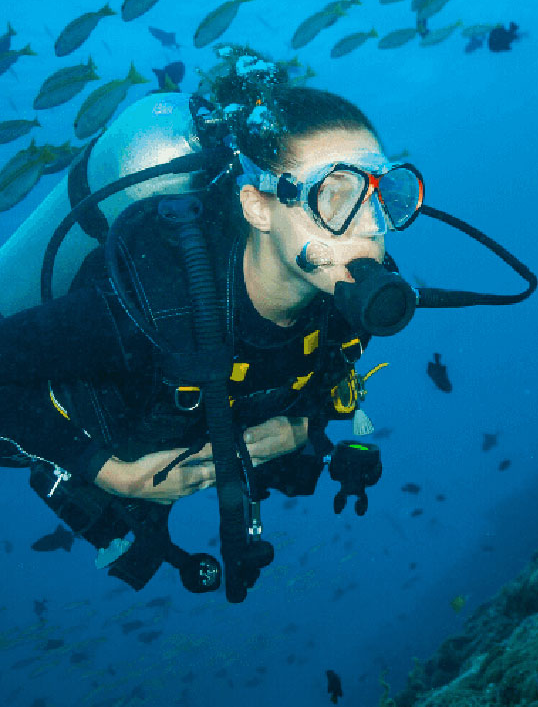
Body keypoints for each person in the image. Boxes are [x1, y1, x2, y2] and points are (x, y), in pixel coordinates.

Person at [0, 47, 423, 597]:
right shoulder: (152, 305)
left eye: (384, 197)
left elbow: (326, 380)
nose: (367, 230)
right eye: (335, 196)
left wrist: (304, 427)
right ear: (258, 206)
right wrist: (108, 472)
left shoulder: (351, 294)